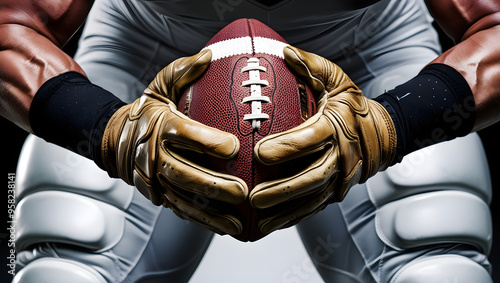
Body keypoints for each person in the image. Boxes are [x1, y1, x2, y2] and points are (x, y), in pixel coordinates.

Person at [1, 0, 498, 281]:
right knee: (68, 266)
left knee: (437, 265)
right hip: (149, 48)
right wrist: (111, 127)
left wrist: (391, 122)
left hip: (366, 47)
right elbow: (10, 28)